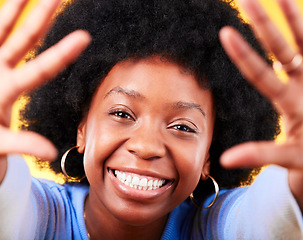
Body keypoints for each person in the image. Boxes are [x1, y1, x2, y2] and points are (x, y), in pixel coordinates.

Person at [0, 0, 302, 239]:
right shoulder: (44, 218)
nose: (146, 147)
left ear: (208, 156)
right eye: (121, 113)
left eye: (182, 127)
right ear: (82, 129)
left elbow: (268, 219)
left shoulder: (213, 228)